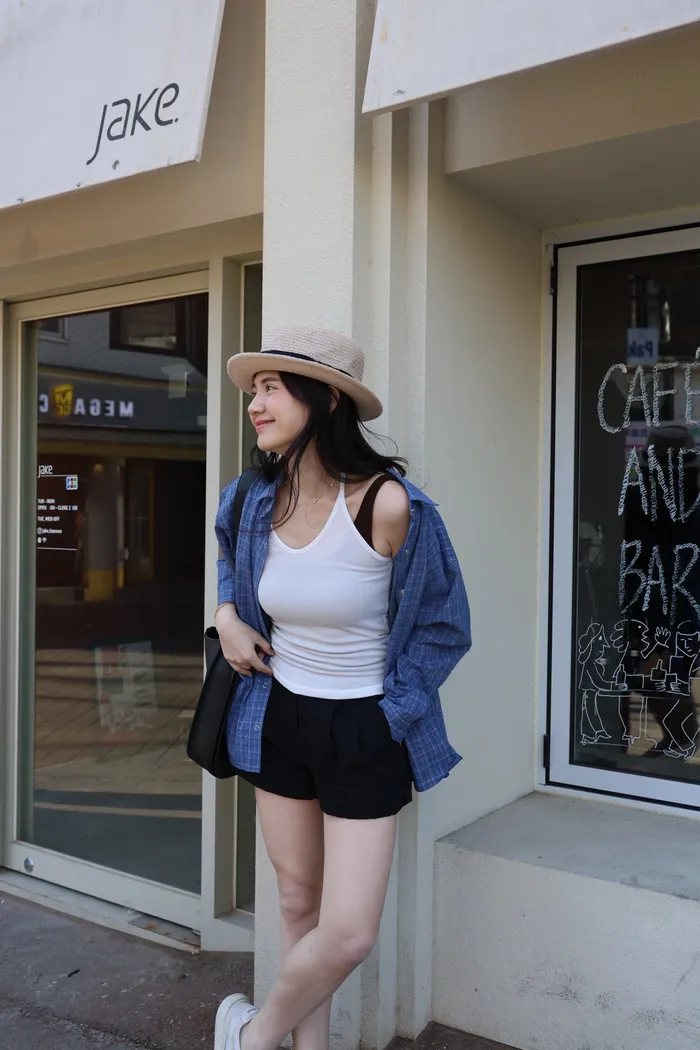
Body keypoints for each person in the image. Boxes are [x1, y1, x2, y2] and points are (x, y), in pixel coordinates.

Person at [212, 324, 471, 1050]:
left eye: (271, 388)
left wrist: (393, 716)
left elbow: (445, 626)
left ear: (325, 399)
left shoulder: (390, 505)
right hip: (276, 713)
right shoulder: (251, 499)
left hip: (364, 724)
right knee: (298, 900)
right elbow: (230, 564)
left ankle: (252, 1036)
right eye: (254, 390)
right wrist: (227, 617)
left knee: (349, 931)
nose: (255, 404)